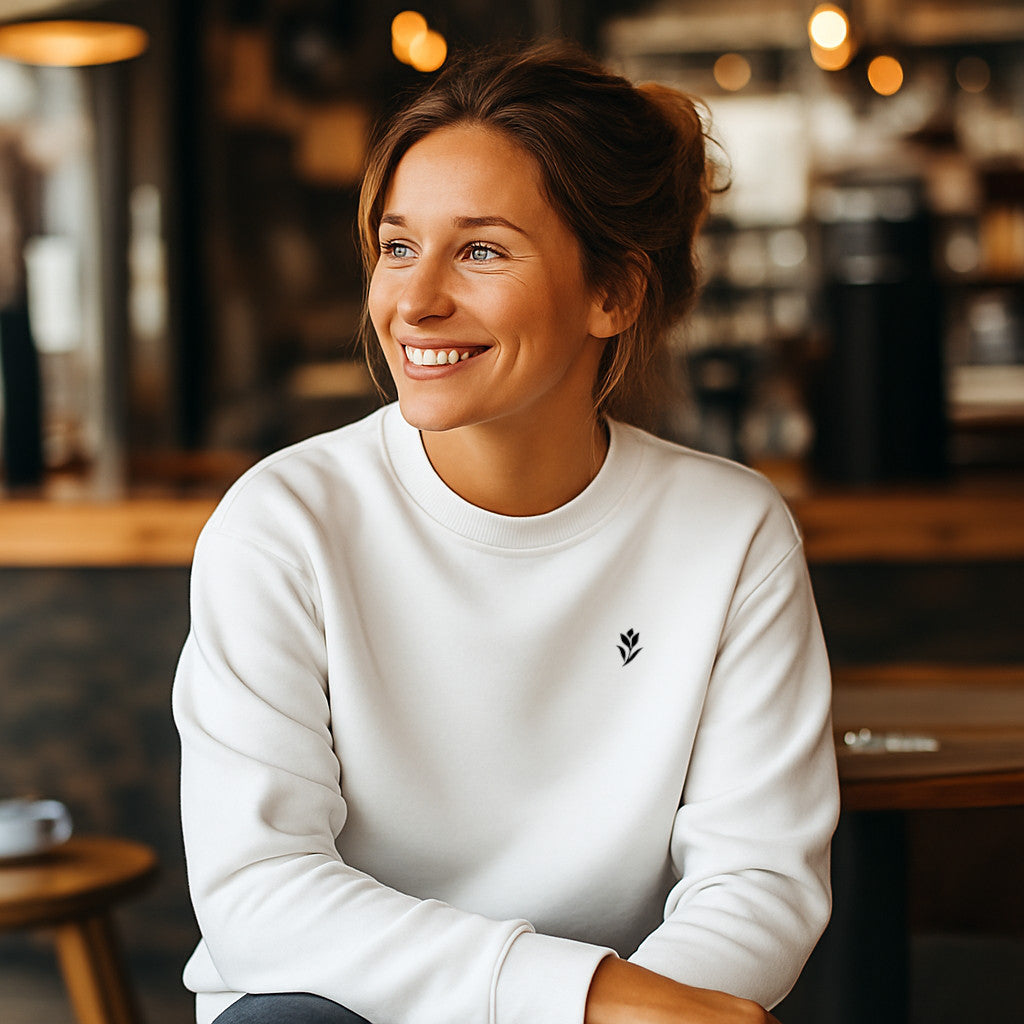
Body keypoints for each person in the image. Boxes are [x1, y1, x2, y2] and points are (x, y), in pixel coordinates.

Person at [173, 39, 839, 1024]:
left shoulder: (729, 534)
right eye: (398, 246)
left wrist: (631, 1011)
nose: (415, 298)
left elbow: (756, 879)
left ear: (612, 291)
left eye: (479, 248)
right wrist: (577, 995)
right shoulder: (283, 524)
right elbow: (258, 892)